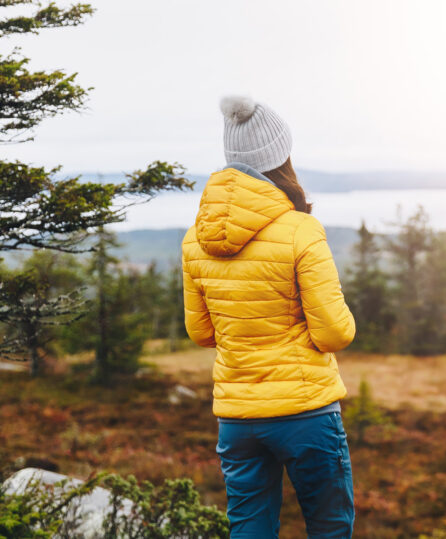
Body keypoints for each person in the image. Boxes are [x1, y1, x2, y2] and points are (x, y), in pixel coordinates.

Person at [181, 95, 356, 538]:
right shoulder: (301, 230)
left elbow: (200, 332)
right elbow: (334, 333)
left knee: (249, 529)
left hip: (237, 418)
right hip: (305, 412)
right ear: (282, 155)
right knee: (330, 527)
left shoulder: (194, 238)